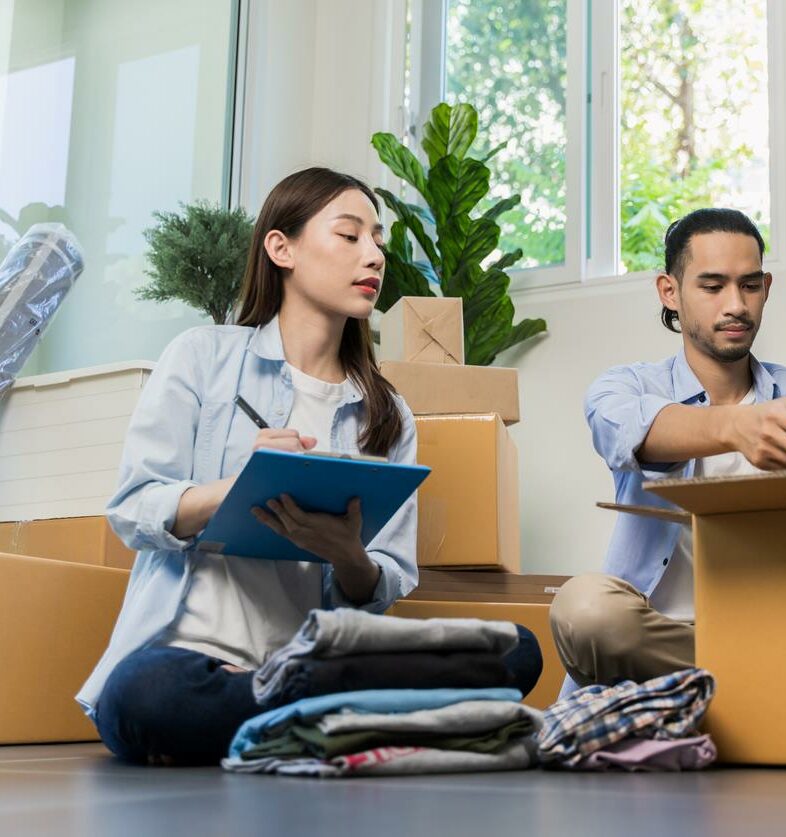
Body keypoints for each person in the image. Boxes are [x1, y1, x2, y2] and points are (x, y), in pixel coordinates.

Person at [79, 167, 539, 765]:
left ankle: (303, 711)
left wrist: (347, 554)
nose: (373, 255)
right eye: (350, 236)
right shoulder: (202, 357)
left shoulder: (388, 413)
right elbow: (135, 507)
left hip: (312, 654)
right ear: (282, 248)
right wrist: (235, 490)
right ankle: (334, 716)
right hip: (190, 658)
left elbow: (383, 583)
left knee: (514, 651)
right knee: (144, 699)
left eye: (377, 240)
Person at [550, 208, 786, 690]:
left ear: (766, 288)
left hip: (775, 629)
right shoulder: (625, 387)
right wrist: (739, 425)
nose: (736, 305)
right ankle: (741, 682)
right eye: (712, 285)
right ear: (670, 291)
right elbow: (641, 433)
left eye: (749, 285)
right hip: (657, 644)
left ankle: (749, 678)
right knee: (586, 608)